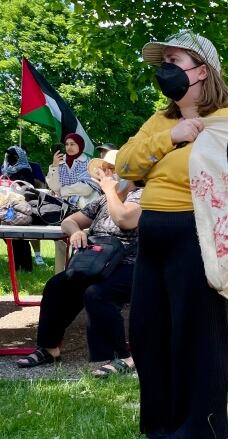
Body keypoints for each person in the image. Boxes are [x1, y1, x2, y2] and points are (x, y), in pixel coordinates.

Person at [116, 29, 228, 439]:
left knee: (197, 337)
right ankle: (160, 428)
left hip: (196, 237)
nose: (165, 70)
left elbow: (221, 180)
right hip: (151, 237)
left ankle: (202, 429)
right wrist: (173, 136)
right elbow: (126, 166)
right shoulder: (160, 120)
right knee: (148, 335)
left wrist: (156, 157)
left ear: (202, 71)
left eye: (174, 61)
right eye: (163, 62)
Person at [16, 149, 141, 376]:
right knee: (57, 285)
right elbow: (69, 220)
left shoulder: (142, 196)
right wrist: (75, 232)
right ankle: (49, 348)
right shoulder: (103, 199)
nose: (107, 173)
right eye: (106, 169)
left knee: (97, 293)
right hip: (97, 260)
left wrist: (111, 192)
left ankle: (121, 356)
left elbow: (125, 219)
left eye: (112, 169)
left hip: (129, 264)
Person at [2, 145, 35, 271]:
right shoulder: (5, 170)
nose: (10, 158)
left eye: (13, 156)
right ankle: (15, 265)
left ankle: (26, 266)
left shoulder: (25, 170)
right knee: (9, 237)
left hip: (21, 207)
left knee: (20, 238)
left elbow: (30, 189)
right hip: (6, 205)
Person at [45, 133, 100, 208]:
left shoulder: (88, 162)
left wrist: (63, 190)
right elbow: (54, 187)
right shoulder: (60, 162)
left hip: (85, 204)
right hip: (62, 203)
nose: (69, 147)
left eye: (72, 144)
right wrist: (55, 166)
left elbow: (87, 188)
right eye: (67, 144)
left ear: (80, 145)